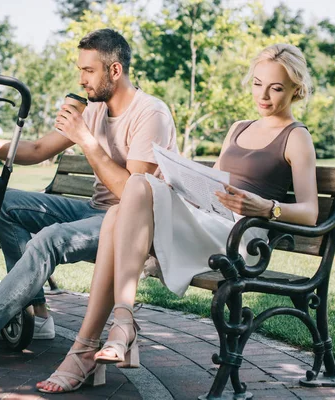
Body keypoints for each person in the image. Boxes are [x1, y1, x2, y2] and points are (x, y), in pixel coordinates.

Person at [36, 43, 318, 394]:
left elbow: (311, 211)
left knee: (134, 189)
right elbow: (213, 184)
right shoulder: (239, 128)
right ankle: (114, 327)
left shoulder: (296, 137)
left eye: (275, 88)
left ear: (296, 89)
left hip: (239, 238)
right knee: (119, 211)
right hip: (206, 221)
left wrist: (267, 208)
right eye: (258, 84)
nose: (263, 95)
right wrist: (182, 182)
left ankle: (94, 344)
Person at [0, 28, 177, 370]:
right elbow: (37, 150)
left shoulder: (150, 114)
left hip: (133, 225)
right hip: (95, 211)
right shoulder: (95, 110)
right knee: (1, 200)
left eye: (89, 70)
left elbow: (132, 195)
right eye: (80, 70)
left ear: (114, 71)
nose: (82, 79)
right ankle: (37, 314)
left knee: (50, 239)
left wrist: (85, 140)